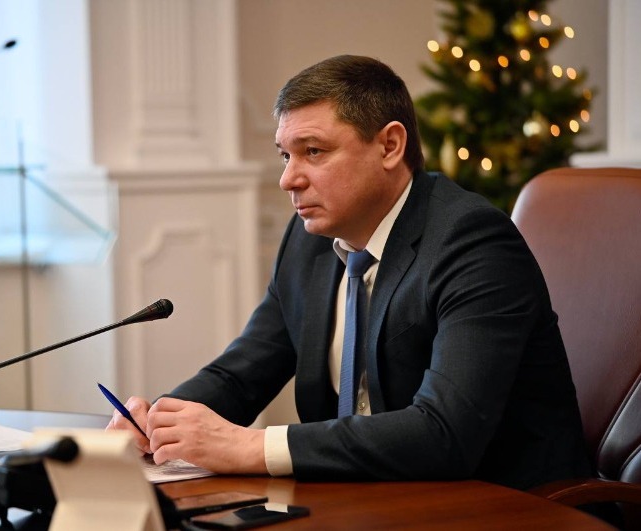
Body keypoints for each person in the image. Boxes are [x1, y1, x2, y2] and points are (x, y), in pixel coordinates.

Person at [107, 55, 590, 490]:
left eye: (313, 151)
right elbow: (241, 374)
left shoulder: (472, 243)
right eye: (285, 154)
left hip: (505, 506)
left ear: (390, 146)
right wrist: (160, 425)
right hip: (367, 499)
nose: (288, 179)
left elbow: (444, 433)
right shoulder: (309, 240)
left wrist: (252, 446)